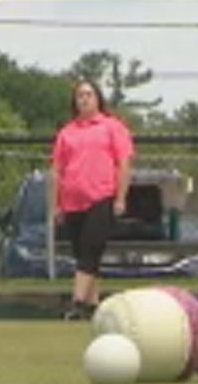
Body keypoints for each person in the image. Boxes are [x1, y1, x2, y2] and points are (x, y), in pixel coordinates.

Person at [48, 79, 135, 320]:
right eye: (80, 96)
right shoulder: (67, 133)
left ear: (98, 98)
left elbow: (124, 164)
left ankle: (77, 302)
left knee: (90, 249)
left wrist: (121, 197)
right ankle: (94, 305)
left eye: (89, 94)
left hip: (102, 196)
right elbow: (56, 169)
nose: (84, 99)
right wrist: (56, 204)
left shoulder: (112, 127)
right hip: (73, 200)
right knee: (84, 255)